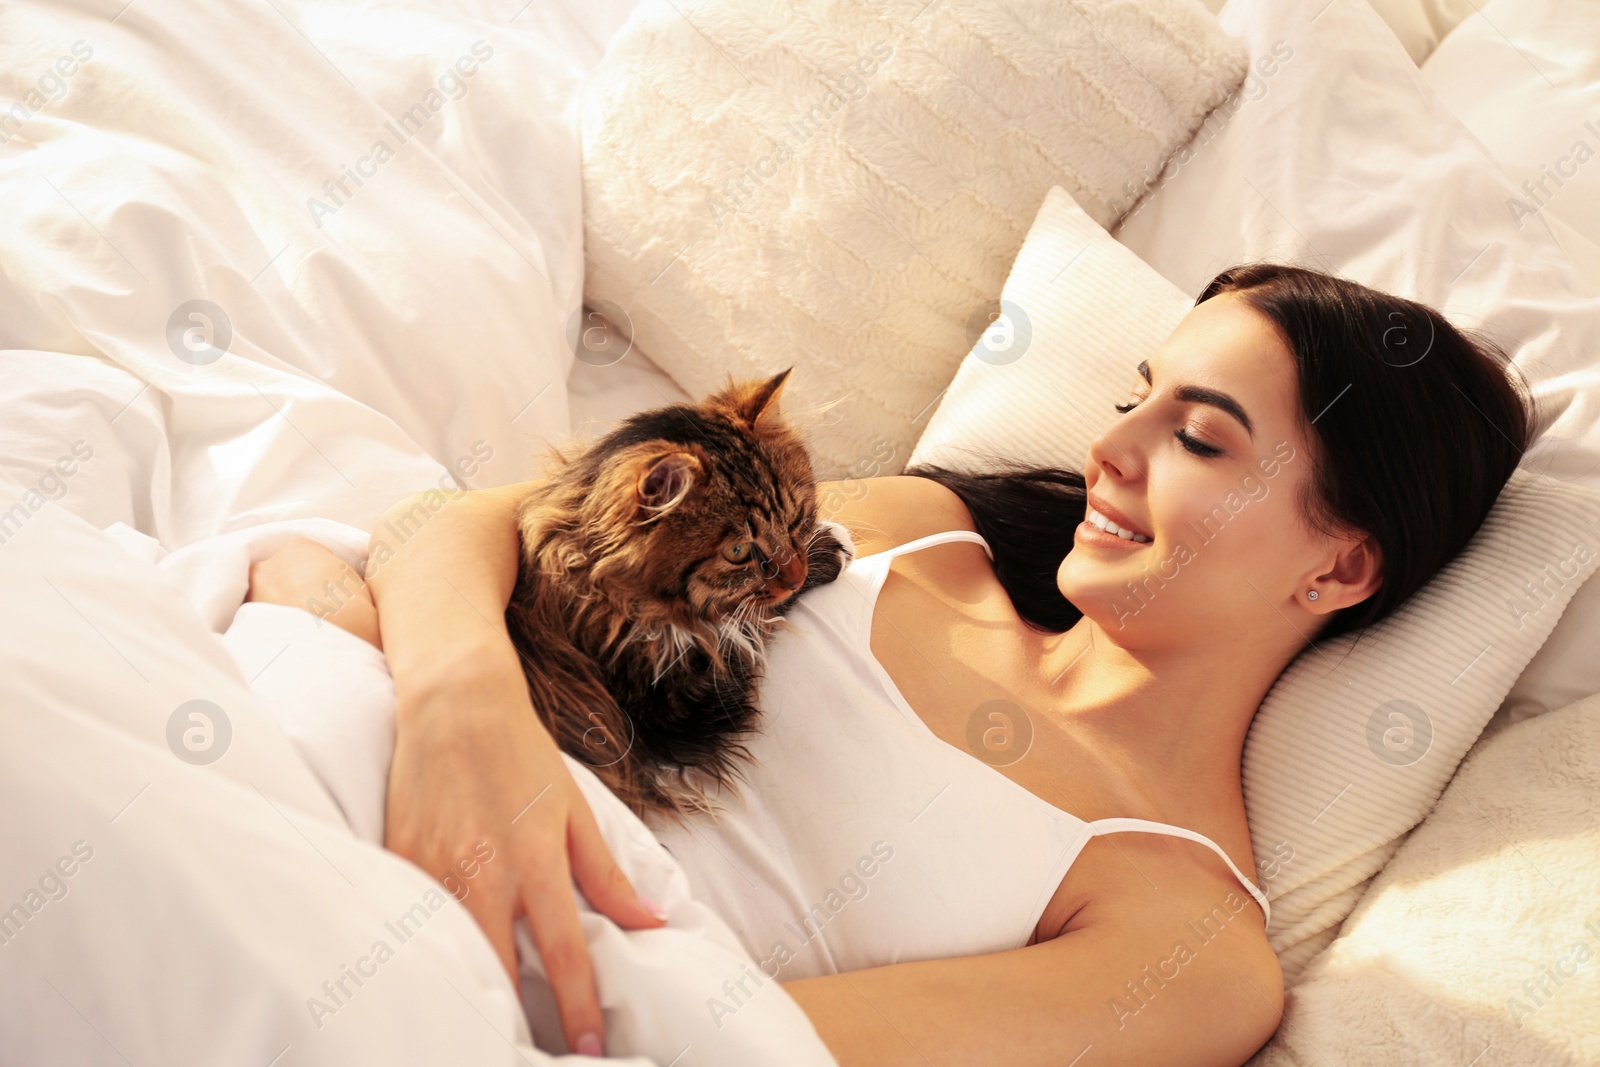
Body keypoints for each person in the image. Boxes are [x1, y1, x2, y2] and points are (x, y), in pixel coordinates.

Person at [248, 264, 1534, 1066]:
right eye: (1135, 396)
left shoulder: (1186, 936)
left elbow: (737, 1051)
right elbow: (474, 525)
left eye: (1196, 437)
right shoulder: (921, 538)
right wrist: (461, 701)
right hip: (369, 741)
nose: (1111, 447)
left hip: (472, 967)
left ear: (1339, 568)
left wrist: (364, 610)